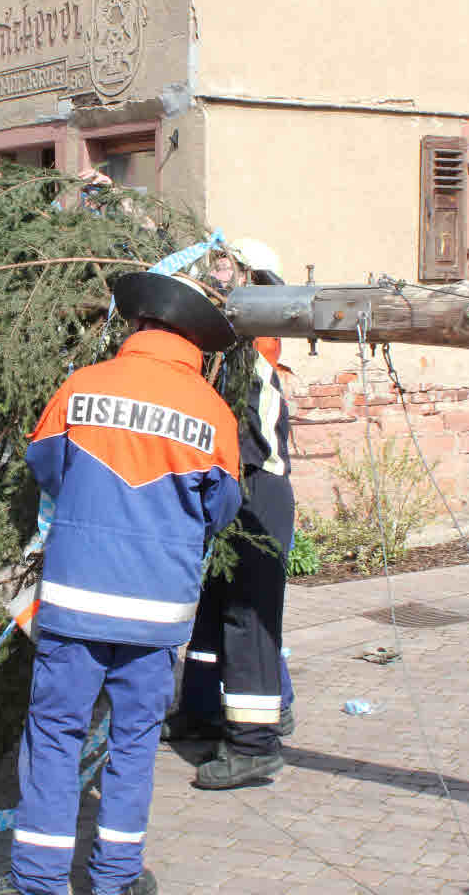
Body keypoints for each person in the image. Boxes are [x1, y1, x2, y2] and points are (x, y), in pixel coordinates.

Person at [0, 271, 243, 895]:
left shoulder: (82, 386)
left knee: (54, 736)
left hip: (75, 602)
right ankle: (117, 879)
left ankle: (40, 882)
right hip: (158, 612)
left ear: (138, 322)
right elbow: (221, 509)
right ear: (195, 339)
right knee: (133, 745)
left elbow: (46, 466)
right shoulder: (213, 414)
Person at [168, 238, 301, 791]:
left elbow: (237, 437)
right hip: (235, 487)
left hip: (256, 490)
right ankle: (201, 711)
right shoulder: (232, 345)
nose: (218, 275)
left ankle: (253, 746)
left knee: (248, 619)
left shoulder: (251, 347)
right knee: (213, 612)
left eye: (227, 268)